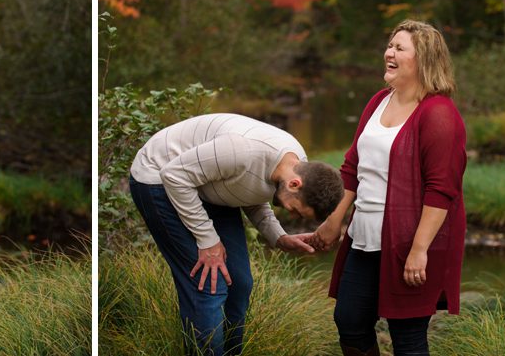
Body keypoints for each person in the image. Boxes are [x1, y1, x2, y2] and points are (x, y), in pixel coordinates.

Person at [309, 19, 468, 356]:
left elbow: (441, 191)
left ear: (423, 59)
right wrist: (335, 219)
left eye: (399, 48)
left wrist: (419, 249)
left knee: (407, 337)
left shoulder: (439, 114)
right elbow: (352, 167)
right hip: (363, 238)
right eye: (389, 46)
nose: (389, 53)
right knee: (349, 321)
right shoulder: (379, 101)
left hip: (409, 241)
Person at [127, 113, 345, 355]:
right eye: (296, 210)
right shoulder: (241, 150)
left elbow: (250, 191)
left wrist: (279, 237)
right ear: (295, 184)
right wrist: (208, 241)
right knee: (209, 285)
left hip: (205, 185)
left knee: (239, 283)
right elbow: (174, 176)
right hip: (160, 177)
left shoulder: (295, 165)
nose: (293, 216)